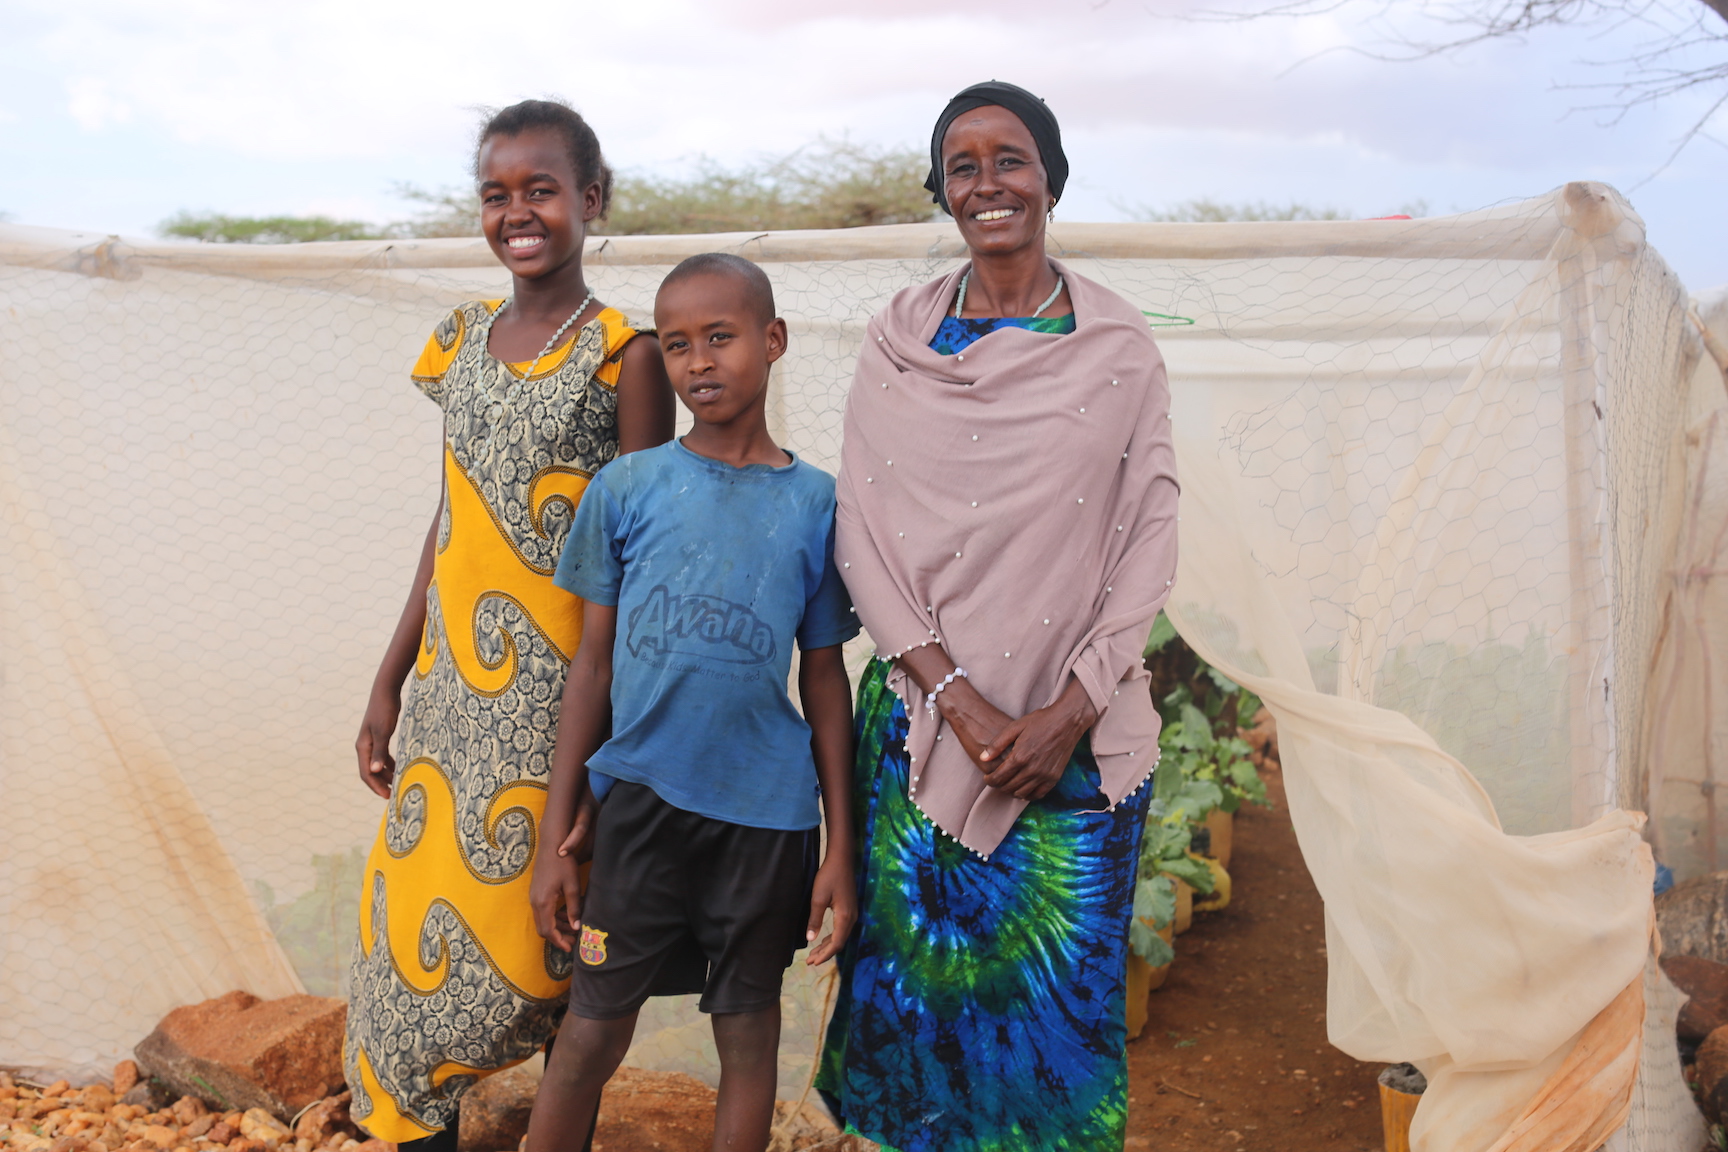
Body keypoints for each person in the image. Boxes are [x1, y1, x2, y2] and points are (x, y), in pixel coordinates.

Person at [814, 81, 1180, 1152]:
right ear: (943, 193)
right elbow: (862, 538)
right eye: (963, 166)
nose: (988, 183)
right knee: (916, 1017)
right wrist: (960, 700)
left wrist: (1065, 711)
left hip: (1075, 744)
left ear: (1051, 180)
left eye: (1010, 159)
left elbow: (1150, 537)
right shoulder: (899, 340)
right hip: (927, 730)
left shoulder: (1118, 348)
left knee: (1055, 1031)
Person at [344, 99, 676, 1150]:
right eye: (497, 194)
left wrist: (615, 742)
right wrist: (389, 676)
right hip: (449, 699)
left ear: (591, 200)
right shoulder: (458, 342)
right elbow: (452, 518)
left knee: (540, 941)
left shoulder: (628, 355)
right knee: (401, 955)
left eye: (541, 190)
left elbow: (638, 549)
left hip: (556, 708)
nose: (517, 212)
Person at [523, 254, 860, 1152]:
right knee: (592, 1030)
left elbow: (825, 678)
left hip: (768, 821)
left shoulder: (819, 506)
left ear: (773, 341)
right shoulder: (628, 488)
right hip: (639, 805)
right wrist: (559, 832)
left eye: (721, 337)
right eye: (677, 346)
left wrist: (841, 847)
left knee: (749, 1035)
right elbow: (590, 666)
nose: (699, 362)